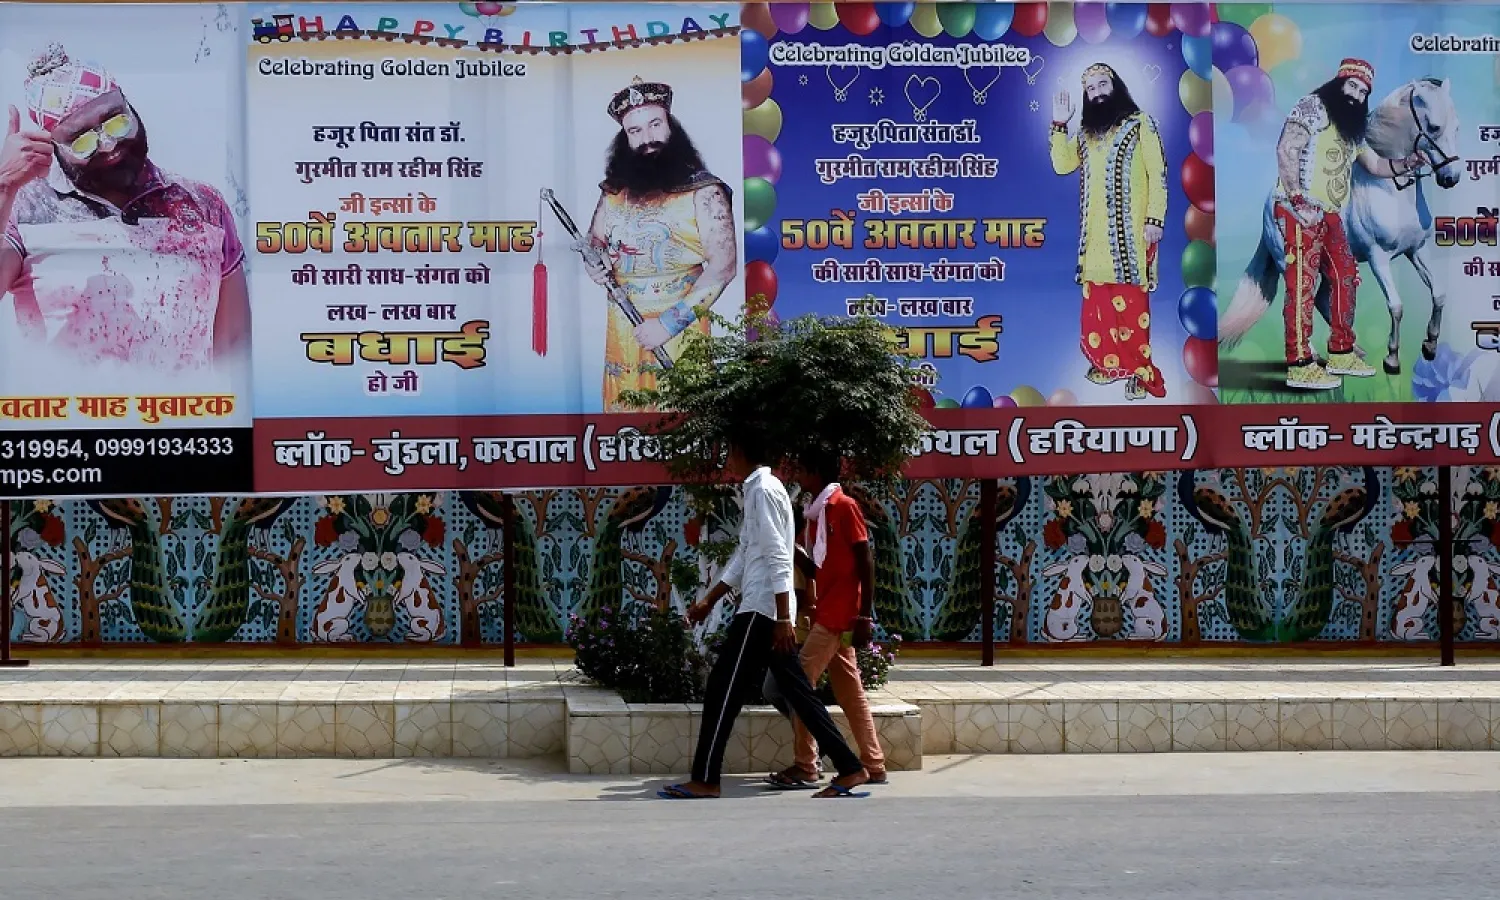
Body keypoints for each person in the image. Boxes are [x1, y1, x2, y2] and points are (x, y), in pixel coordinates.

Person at [0, 43, 249, 373]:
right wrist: (4, 186)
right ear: (53, 148)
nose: (109, 145)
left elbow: (235, 345)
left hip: (182, 420)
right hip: (67, 421)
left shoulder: (204, 205)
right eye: (83, 140)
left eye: (115, 122)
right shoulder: (25, 208)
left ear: (130, 107)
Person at [660, 437, 871, 800]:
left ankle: (707, 779)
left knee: (723, 690)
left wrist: (783, 618)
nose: (727, 458)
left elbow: (777, 554)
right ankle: (851, 768)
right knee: (799, 692)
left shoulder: (763, 489)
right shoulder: (759, 489)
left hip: (763, 610)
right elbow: (746, 554)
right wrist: (709, 600)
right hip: (764, 608)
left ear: (741, 451)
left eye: (729, 451)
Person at [584, 76, 737, 412]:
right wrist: (595, 262)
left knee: (682, 424)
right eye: (635, 131)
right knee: (624, 429)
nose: (647, 138)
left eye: (655, 125)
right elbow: (594, 241)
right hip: (624, 330)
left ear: (671, 127)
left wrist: (668, 325)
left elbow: (723, 267)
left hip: (680, 330)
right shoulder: (614, 191)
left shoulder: (704, 191)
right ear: (624, 139)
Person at [1270, 59, 1424, 391]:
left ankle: (1341, 352)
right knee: (1303, 284)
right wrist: (1297, 199)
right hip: (1299, 211)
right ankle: (1299, 364)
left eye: (1364, 91)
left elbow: (1377, 165)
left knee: (1346, 277)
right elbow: (1287, 149)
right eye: (1352, 86)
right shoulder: (1312, 106)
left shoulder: (1351, 130)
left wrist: (1410, 162)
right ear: (1338, 83)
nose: (1356, 94)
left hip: (1330, 215)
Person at [762, 460, 887, 790]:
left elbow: (865, 559)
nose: (798, 476)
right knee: (850, 691)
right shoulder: (816, 514)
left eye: (802, 469)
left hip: (840, 613)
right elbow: (815, 567)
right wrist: (783, 541)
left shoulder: (844, 506)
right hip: (828, 612)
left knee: (798, 684)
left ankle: (806, 765)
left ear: (816, 472)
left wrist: (864, 616)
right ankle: (874, 763)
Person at [1050, 63, 1168, 401]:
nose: (1097, 92)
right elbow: (1062, 165)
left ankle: (1138, 372)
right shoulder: (1086, 135)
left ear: (1116, 86)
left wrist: (1154, 220)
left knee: (1131, 307)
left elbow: (1158, 174)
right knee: (1098, 306)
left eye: (1103, 84)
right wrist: (1060, 123)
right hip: (1095, 241)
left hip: (1131, 239)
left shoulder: (1140, 124)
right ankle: (1107, 363)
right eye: (1090, 89)